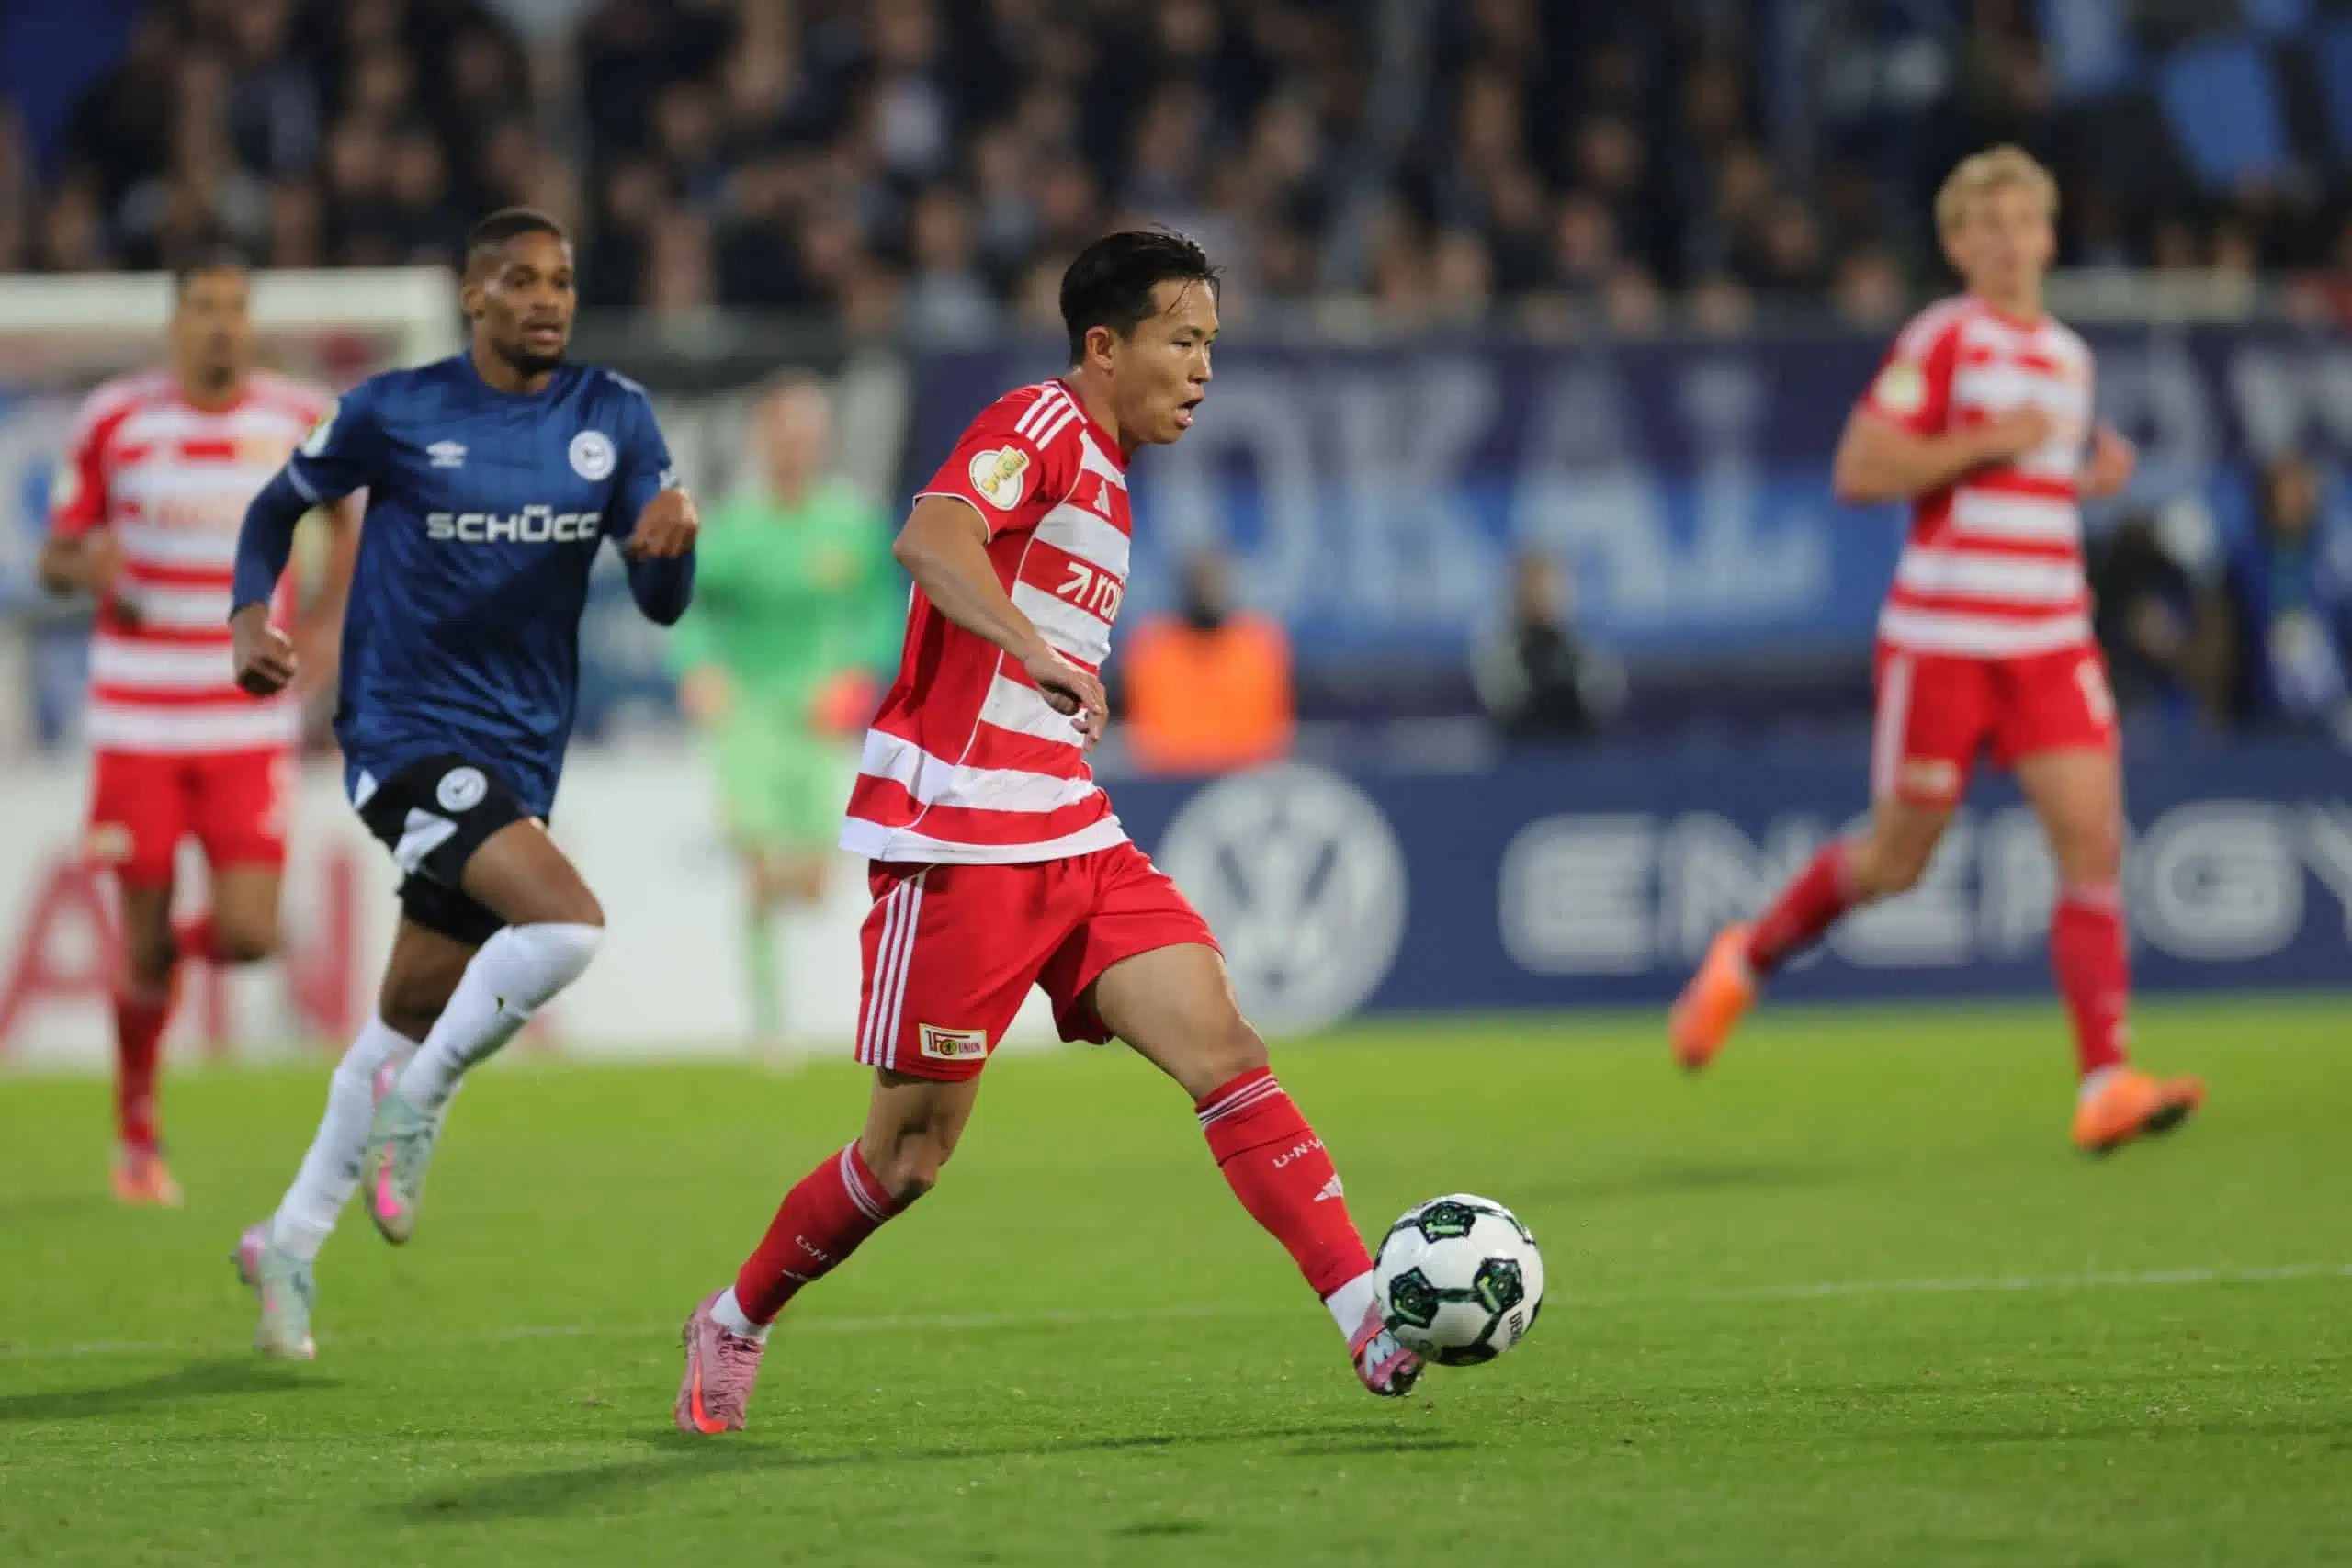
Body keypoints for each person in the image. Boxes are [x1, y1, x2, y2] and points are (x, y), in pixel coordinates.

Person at [673, 231, 1422, 1436]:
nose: (1202, 369)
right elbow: (931, 536)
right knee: (908, 1158)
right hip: (962, 836)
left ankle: (1364, 1307)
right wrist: (1032, 646)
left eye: (1211, 345)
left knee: (1224, 1045)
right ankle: (738, 1312)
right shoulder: (1040, 425)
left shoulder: (1114, 468)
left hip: (1068, 826)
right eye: (1183, 341)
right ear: (1105, 344)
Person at [225, 208, 699, 1359]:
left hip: (521, 749)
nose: (547, 299)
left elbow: (661, 607)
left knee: (405, 1014)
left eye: (563, 281)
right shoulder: (395, 410)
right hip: (400, 732)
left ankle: (286, 1242)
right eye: (520, 280)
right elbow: (277, 505)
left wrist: (671, 551)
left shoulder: (613, 417)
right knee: (571, 925)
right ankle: (425, 1107)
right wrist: (249, 615)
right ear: (471, 295)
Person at [1670, 147, 2204, 1156]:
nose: (2007, 243)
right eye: (1985, 226)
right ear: (1957, 244)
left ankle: (2105, 1081)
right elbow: (1861, 468)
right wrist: (1990, 440)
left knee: (2092, 843)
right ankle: (1747, 955)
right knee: (1898, 859)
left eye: (2023, 223)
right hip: (1944, 639)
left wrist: (2075, 482)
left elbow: (2019, 489)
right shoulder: (1944, 340)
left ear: (2049, 235)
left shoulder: (2070, 359)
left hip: (2048, 634)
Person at [38, 245, 357, 1206]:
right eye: (205, 308)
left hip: (241, 714)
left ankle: (160, 957)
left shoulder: (296, 417)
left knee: (253, 933)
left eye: (235, 307)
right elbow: (54, 555)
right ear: (175, 322)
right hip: (135, 713)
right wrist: (84, 570)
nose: (222, 324)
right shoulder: (115, 420)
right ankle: (138, 1132)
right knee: (139, 936)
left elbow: (351, 520)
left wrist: (326, 627)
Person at [670, 377, 899, 1039]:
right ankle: (770, 1025)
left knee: (814, 881)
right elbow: (689, 603)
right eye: (785, 432)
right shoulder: (736, 527)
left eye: (807, 433)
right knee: (761, 860)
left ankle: (806, 1003)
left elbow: (878, 610)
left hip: (817, 715)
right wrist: (700, 668)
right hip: (750, 714)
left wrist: (856, 674)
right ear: (763, 439)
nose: (796, 446)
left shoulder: (848, 522)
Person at [1121, 546, 1294, 775]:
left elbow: (1271, 735)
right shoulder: (1153, 647)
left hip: (1246, 778)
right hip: (1167, 781)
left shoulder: (1259, 644)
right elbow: (1150, 741)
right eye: (1201, 585)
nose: (1208, 594)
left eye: (1216, 585)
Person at [1471, 548, 1619, 745]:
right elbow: (1504, 708)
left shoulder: (1585, 653)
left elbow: (1603, 703)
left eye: (1550, 586)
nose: (1543, 595)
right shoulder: (1498, 655)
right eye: (1534, 586)